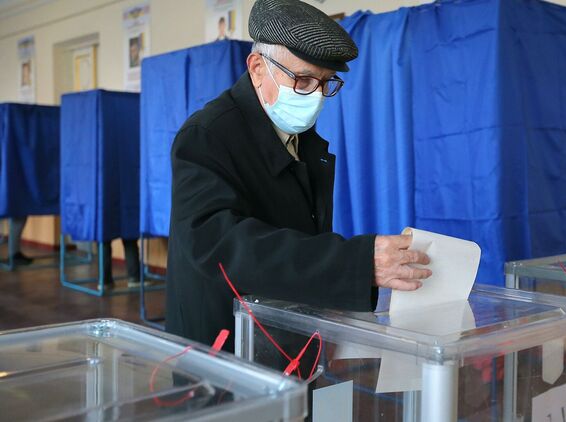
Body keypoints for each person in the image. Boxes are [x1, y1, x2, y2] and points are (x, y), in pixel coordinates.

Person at [166, 0, 432, 354]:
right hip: (222, 345)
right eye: (304, 80)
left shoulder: (300, 137)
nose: (317, 97)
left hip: (286, 335)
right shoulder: (207, 134)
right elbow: (218, 244)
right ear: (257, 68)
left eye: (326, 83)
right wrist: (356, 263)